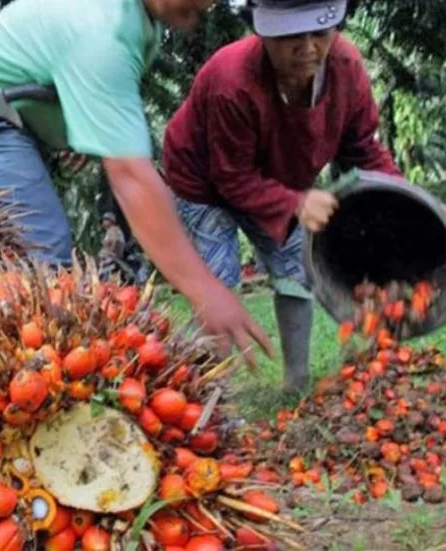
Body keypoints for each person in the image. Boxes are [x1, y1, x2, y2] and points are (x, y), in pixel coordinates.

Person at [0, 0, 274, 367]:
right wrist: (204, 289)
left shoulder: (140, 20)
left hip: (11, 114)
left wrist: (72, 127)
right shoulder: (103, 32)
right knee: (41, 259)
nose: (208, 5)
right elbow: (132, 179)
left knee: (40, 272)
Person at [161, 0, 401, 393]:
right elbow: (232, 177)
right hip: (201, 182)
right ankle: (206, 391)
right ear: (264, 35)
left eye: (320, 34)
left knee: (295, 269)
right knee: (217, 283)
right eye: (291, 36)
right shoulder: (232, 81)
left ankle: (296, 381)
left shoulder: (345, 68)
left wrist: (405, 196)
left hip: (276, 180)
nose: (307, 47)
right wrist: (296, 204)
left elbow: (364, 148)